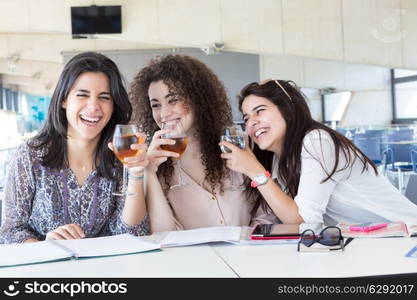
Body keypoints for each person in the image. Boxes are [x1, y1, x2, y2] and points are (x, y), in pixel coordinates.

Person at [219, 79, 417, 225]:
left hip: (405, 239)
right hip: (367, 244)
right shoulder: (279, 161)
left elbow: (304, 222)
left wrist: (255, 171)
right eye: (246, 118)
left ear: (287, 110)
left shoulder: (317, 141)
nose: (251, 122)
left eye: (260, 111)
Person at [0, 52, 149, 244]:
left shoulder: (120, 156)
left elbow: (134, 233)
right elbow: (11, 231)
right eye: (82, 95)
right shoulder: (30, 156)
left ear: (113, 106)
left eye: (104, 97)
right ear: (64, 100)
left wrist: (136, 173)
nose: (93, 106)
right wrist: (46, 246)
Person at [130, 54, 276, 232]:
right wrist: (150, 173)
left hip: (253, 255)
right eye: (156, 105)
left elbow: (268, 213)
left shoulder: (240, 146)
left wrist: (248, 242)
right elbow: (164, 233)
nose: (164, 113)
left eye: (173, 100)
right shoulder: (156, 165)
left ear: (197, 98)